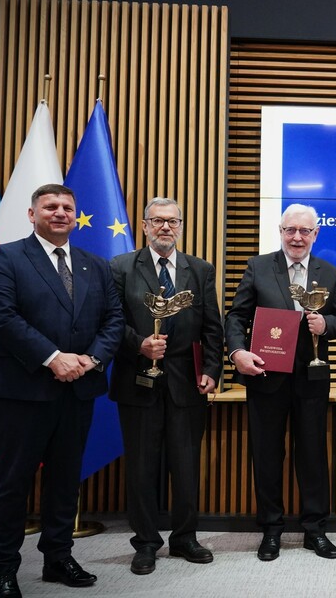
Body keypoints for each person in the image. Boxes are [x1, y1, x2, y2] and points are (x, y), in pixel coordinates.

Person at [0, 184, 124, 598]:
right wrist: (53, 357)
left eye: (67, 208)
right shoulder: (3, 258)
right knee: (13, 483)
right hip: (21, 391)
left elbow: (113, 319)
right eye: (51, 206)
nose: (60, 213)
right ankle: (3, 571)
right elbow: (1, 318)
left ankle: (58, 557)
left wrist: (91, 360)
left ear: (75, 216)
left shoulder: (95, 265)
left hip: (77, 390)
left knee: (64, 482)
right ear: (32, 214)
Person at [225, 203, 336, 561]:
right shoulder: (258, 266)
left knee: (312, 454)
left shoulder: (329, 272)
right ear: (280, 231)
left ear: (316, 234)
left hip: (311, 377)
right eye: (290, 230)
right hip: (265, 375)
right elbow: (236, 317)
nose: (297, 237)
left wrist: (327, 326)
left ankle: (315, 530)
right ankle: (271, 530)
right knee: (267, 455)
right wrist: (237, 353)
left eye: (304, 231)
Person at [109, 198, 224, 575]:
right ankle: (145, 543)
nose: (165, 228)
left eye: (172, 221)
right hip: (137, 380)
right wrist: (138, 343)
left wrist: (212, 370)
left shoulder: (200, 269)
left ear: (181, 226)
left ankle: (185, 537)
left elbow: (212, 325)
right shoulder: (121, 267)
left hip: (187, 384)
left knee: (186, 465)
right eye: (157, 221)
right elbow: (110, 321)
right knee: (141, 467)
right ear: (144, 226)